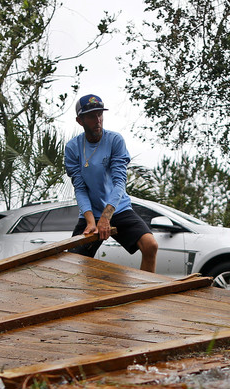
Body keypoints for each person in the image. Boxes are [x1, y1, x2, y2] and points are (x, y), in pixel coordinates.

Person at [64, 94, 159, 272]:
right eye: (92, 116)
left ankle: (146, 295)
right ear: (80, 120)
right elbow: (80, 188)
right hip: (91, 213)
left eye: (100, 114)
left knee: (150, 245)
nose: (98, 120)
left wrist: (106, 217)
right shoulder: (72, 148)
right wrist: (91, 221)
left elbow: (119, 183)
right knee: (73, 264)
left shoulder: (115, 140)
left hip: (118, 208)